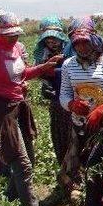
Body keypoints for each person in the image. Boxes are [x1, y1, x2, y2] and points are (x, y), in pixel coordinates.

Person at [0, 11, 61, 206]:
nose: (14, 37)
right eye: (8, 34)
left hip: (19, 106)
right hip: (1, 110)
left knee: (28, 158)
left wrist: (43, 67)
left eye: (15, 33)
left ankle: (10, 198)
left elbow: (22, 74)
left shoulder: (17, 49)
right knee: (23, 164)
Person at [59, 26, 103, 206]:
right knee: (88, 170)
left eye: (85, 42)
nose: (81, 47)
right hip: (80, 127)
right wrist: (71, 104)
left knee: (97, 170)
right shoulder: (68, 65)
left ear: (95, 41)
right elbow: (64, 94)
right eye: (77, 43)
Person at [33, 16, 70, 165]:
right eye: (48, 40)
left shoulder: (70, 51)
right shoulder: (43, 54)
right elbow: (39, 73)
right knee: (59, 133)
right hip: (56, 101)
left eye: (54, 39)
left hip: (73, 98)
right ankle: (64, 167)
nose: (51, 43)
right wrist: (46, 84)